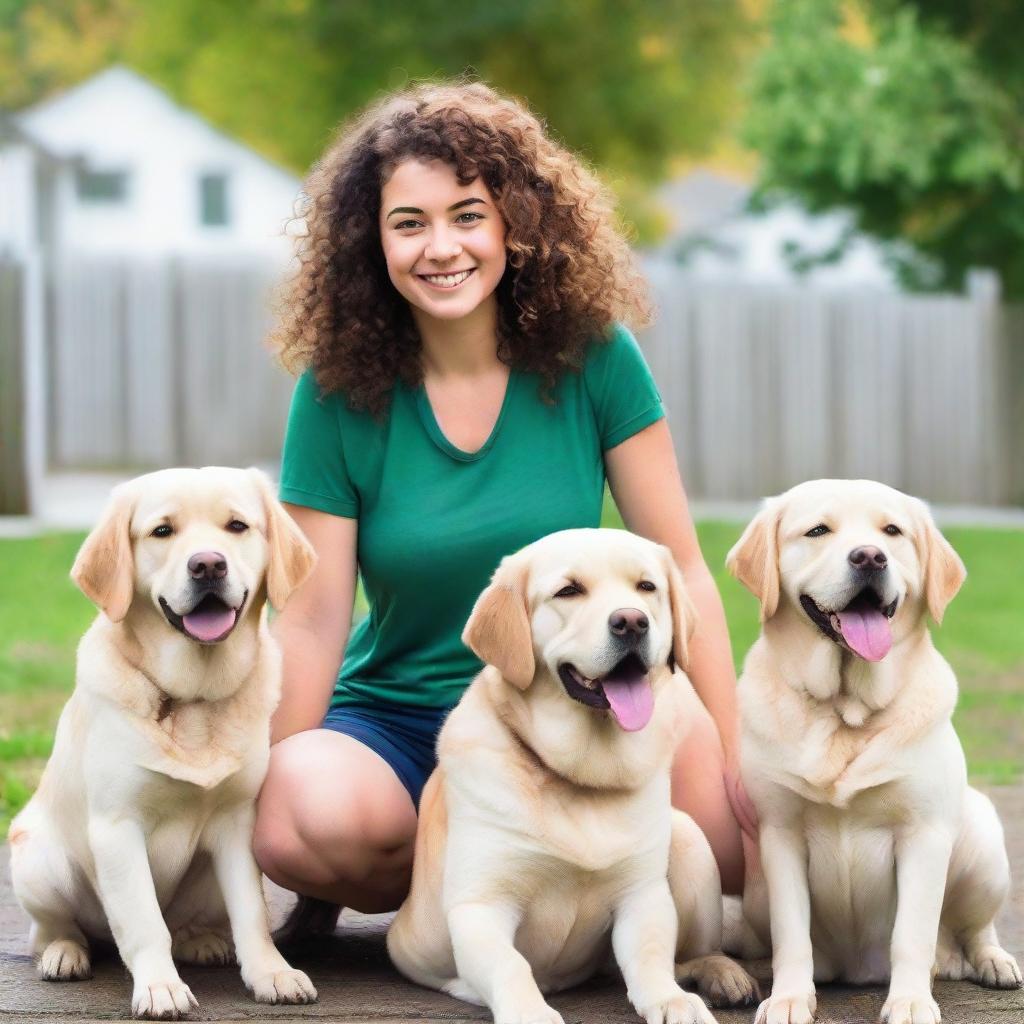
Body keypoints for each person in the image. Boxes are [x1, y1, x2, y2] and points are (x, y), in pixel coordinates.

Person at [254, 81, 753, 937]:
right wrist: (253, 784)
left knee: (730, 850)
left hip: (593, 700)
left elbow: (683, 565)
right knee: (300, 816)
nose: (440, 247)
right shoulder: (335, 392)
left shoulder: (596, 357)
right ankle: (492, 888)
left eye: (467, 215)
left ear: (515, 223)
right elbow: (311, 620)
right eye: (408, 222)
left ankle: (547, 885)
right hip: (407, 719)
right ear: (371, 242)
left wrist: (740, 758)